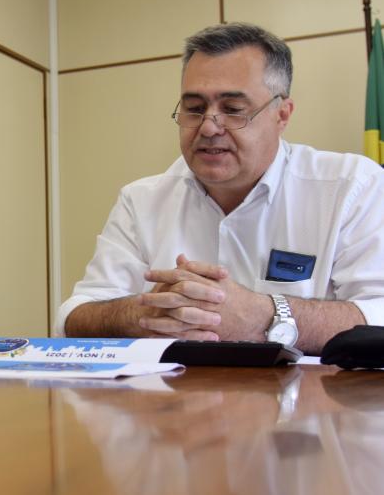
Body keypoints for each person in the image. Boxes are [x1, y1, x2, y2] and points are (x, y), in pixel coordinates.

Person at [57, 23, 384, 355]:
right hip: (171, 403)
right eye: (195, 109)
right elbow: (72, 318)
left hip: (311, 404)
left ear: (282, 114)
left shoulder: (352, 187)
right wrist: (141, 313)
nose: (209, 127)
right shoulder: (140, 201)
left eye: (232, 110)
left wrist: (267, 315)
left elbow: (379, 314)